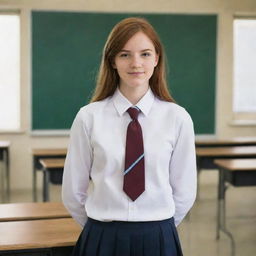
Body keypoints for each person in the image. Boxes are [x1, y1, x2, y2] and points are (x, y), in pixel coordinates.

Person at [62, 17, 197, 256]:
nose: (136, 63)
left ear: (156, 59)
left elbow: (184, 190)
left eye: (145, 54)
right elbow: (73, 192)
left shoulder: (178, 118)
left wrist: (157, 226)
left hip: (158, 235)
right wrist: (102, 226)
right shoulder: (88, 117)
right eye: (125, 55)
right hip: (102, 235)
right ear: (112, 61)